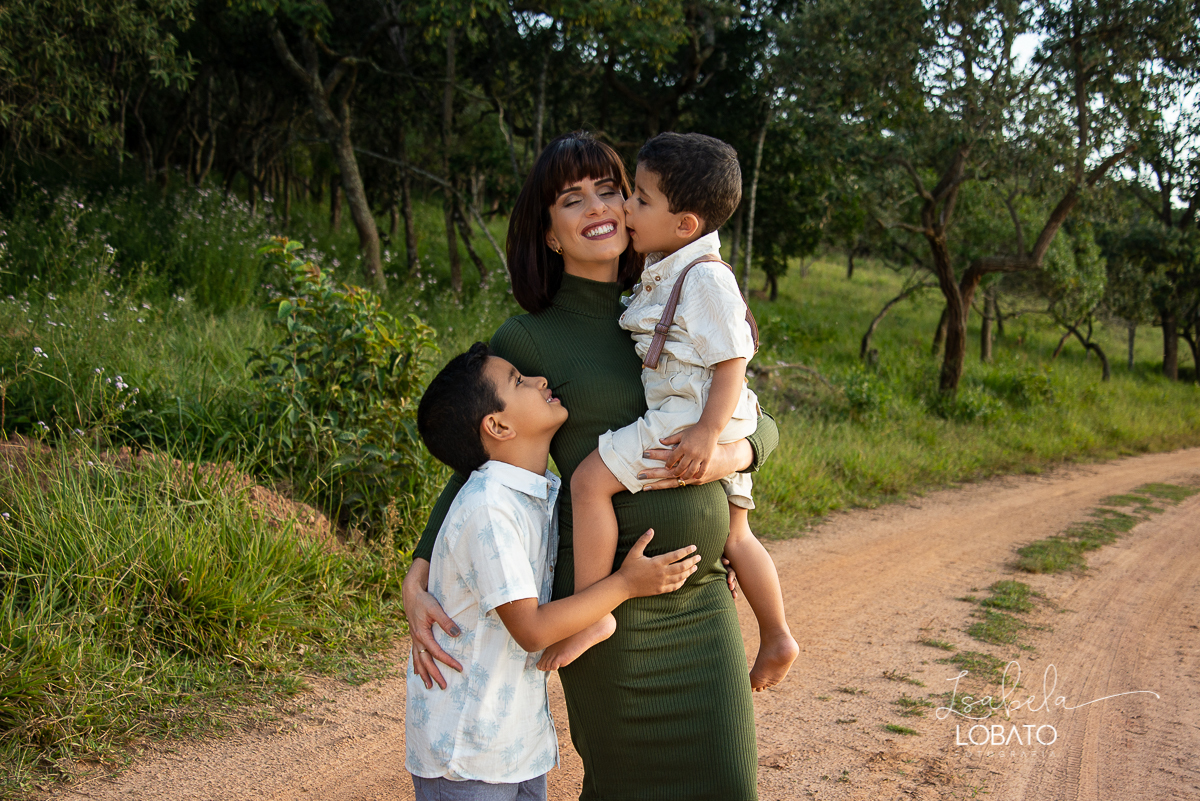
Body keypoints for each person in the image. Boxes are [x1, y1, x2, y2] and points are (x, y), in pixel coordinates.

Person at [403, 131, 779, 800]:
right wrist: (419, 568)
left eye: (612, 189)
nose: (601, 207)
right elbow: (477, 462)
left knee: (728, 783)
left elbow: (755, 414)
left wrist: (729, 453)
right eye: (573, 199)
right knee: (624, 785)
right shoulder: (529, 339)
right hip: (609, 609)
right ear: (549, 231)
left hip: (700, 600)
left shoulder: (676, 293)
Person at [554, 132, 799, 691]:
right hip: (715, 415)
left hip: (693, 413)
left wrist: (708, 435)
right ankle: (778, 633)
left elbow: (733, 357)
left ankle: (593, 613)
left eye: (639, 198)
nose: (624, 208)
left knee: (590, 482)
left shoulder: (705, 276)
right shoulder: (667, 267)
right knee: (739, 534)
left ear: (685, 223)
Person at [406, 342, 700, 800]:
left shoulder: (538, 494)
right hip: (466, 752)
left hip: (517, 744)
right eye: (519, 382)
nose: (541, 381)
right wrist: (624, 585)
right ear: (497, 425)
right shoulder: (489, 508)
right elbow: (531, 629)